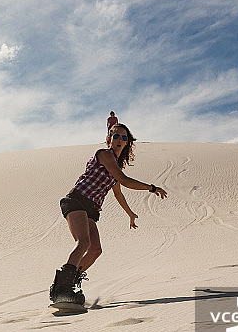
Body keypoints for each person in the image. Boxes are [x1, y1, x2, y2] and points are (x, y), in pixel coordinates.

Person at [51, 123, 168, 304]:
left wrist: (130, 214)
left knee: (95, 250)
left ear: (127, 142)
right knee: (83, 242)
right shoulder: (104, 155)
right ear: (109, 139)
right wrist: (151, 188)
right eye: (116, 136)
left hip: (91, 209)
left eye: (123, 137)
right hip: (76, 200)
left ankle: (70, 283)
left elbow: (118, 193)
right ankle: (61, 290)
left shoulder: (114, 166)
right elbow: (124, 180)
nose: (119, 140)